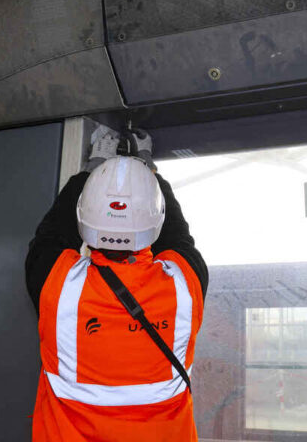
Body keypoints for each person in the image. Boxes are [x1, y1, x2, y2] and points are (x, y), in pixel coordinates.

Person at [25, 128, 208, 441]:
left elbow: (52, 235)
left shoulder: (58, 286)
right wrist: (146, 170)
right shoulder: (184, 288)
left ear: (85, 215)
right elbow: (176, 235)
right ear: (154, 216)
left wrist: (96, 168)